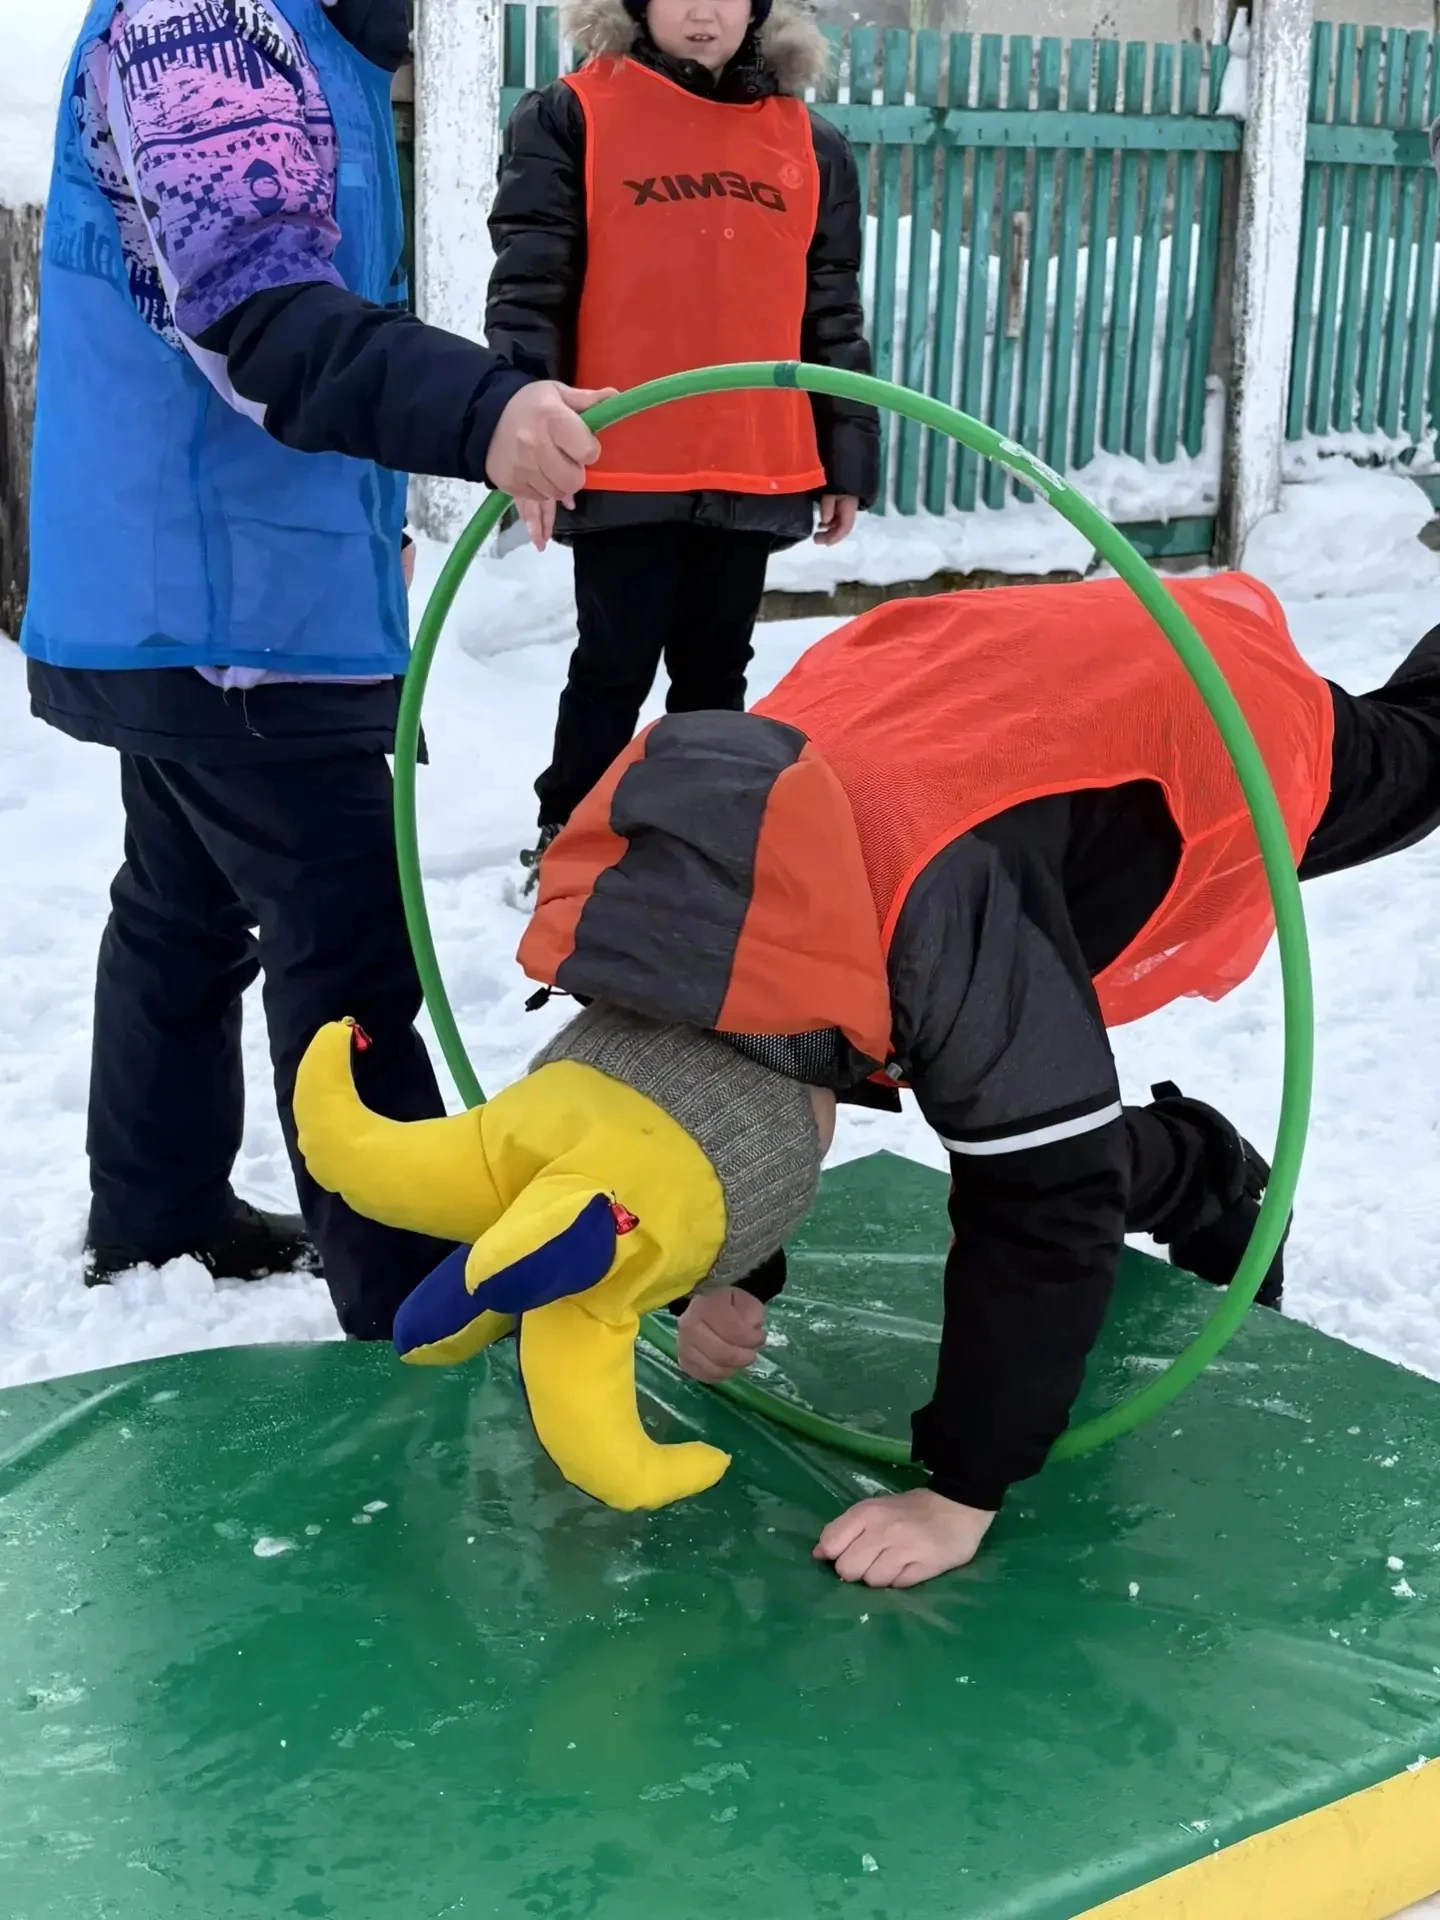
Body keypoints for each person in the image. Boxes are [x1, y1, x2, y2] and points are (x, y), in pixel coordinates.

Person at [490, 570, 1440, 1584]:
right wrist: (727, 1270)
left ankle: (1205, 1168)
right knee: (1004, 1095)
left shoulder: (942, 926)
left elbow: (1046, 1201)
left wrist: (961, 1492)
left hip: (1185, 716)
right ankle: (1200, 1168)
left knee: (1418, 755)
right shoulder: (632, 909)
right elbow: (674, 1102)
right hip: (972, 689)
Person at [20, 0, 609, 1337]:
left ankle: (159, 1209)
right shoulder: (207, 25)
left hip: (214, 590)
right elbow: (261, 318)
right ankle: (416, 1290)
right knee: (346, 948)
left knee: (180, 906)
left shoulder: (310, 35)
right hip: (228, 607)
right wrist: (484, 408)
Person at [485, 0, 880, 879]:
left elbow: (830, 308)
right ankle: (569, 840)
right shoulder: (574, 115)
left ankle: (703, 852)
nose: (704, 12)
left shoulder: (810, 143)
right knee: (613, 665)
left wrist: (844, 453)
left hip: (753, 452)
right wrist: (526, 435)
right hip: (623, 454)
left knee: (716, 673)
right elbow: (531, 289)